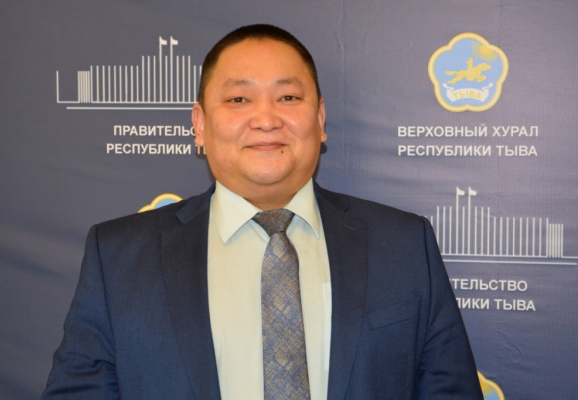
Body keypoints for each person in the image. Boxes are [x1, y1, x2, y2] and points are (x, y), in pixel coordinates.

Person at [42, 24, 483, 399]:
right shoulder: (119, 256)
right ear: (200, 124)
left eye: (288, 97)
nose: (267, 119)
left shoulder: (404, 245)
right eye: (239, 100)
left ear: (320, 119)